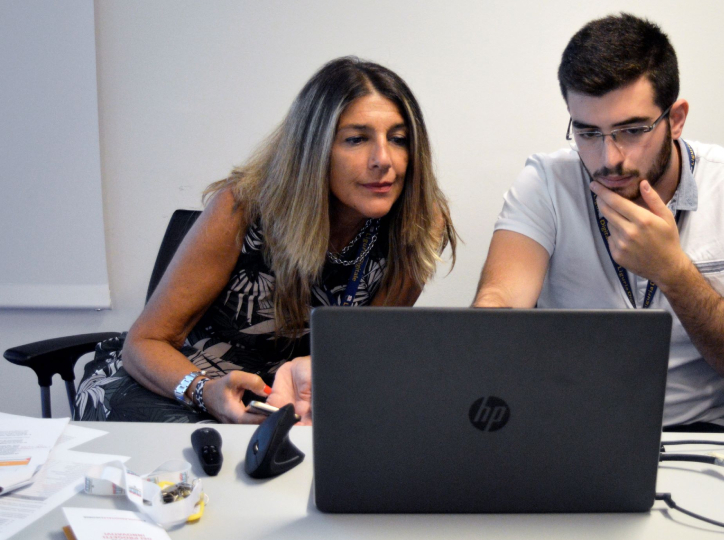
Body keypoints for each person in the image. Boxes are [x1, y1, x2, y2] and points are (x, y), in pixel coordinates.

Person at [75, 57, 456, 424]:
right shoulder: (241, 207)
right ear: (313, 149)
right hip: (177, 385)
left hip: (285, 401)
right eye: (356, 139)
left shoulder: (419, 224)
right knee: (209, 453)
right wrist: (204, 391)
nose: (383, 159)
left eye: (399, 139)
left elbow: (364, 350)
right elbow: (143, 345)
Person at [473, 14, 724, 432]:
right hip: (569, 431)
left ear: (675, 119)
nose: (609, 159)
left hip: (702, 431)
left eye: (631, 130)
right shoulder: (547, 183)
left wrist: (674, 273)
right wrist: (489, 327)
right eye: (588, 133)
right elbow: (499, 302)